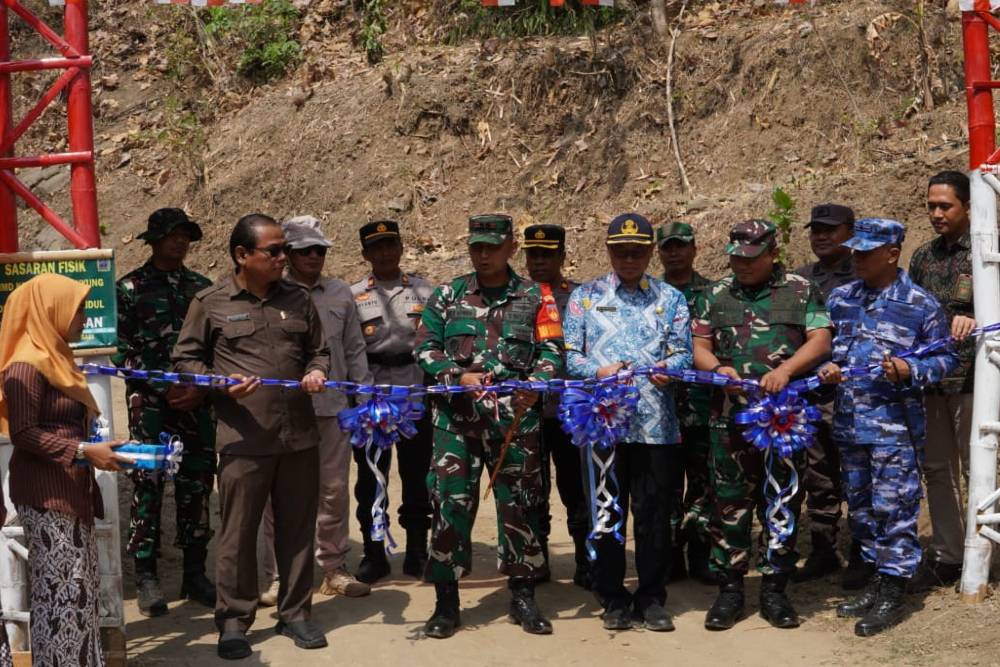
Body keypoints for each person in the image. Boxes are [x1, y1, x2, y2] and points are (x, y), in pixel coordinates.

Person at [173, 214, 331, 659]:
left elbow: (318, 349)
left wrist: (318, 370)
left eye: (285, 249)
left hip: (298, 435)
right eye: (275, 251)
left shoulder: (298, 299)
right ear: (242, 255)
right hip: (243, 439)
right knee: (239, 533)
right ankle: (234, 621)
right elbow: (185, 361)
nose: (285, 258)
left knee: (298, 531)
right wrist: (219, 383)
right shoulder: (211, 301)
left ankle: (296, 613)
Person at [414, 213, 563, 639]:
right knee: (450, 505)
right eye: (476, 246)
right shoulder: (448, 294)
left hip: (515, 422)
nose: (482, 254)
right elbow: (424, 347)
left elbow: (553, 350)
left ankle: (522, 597)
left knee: (519, 505)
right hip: (455, 424)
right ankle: (446, 603)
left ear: (511, 248)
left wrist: (537, 384)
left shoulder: (537, 296)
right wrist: (455, 377)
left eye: (491, 246)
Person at [819, 218, 958, 636]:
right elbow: (834, 353)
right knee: (861, 511)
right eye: (855, 250)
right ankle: (876, 579)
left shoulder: (921, 304)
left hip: (895, 429)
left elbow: (946, 361)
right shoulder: (841, 299)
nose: (856, 258)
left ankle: (893, 592)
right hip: (850, 424)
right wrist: (828, 368)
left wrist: (909, 368)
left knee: (893, 510)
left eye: (865, 251)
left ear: (892, 253)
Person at [692, 219, 832, 631]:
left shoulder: (801, 289)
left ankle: (775, 589)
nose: (742, 265)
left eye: (751, 258)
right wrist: (720, 369)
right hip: (729, 419)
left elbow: (820, 339)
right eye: (736, 258)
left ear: (773, 254)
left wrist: (786, 371)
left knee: (783, 498)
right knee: (729, 504)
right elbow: (699, 346)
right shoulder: (714, 294)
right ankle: (730, 589)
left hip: (784, 418)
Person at [564, 213, 692, 632]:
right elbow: (571, 356)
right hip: (602, 427)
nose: (630, 258)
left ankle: (652, 597)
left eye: (638, 251)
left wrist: (667, 368)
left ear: (651, 252)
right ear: (609, 251)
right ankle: (613, 597)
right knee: (606, 512)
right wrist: (599, 373)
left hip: (656, 426)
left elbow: (683, 355)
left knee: (655, 515)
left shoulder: (670, 298)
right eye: (621, 251)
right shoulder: (584, 296)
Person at [0, 273, 130, 665]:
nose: (82, 317)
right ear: (49, 311)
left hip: (68, 491)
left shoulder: (56, 360)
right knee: (62, 595)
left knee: (75, 593)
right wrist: (84, 451)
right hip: (47, 494)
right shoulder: (26, 365)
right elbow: (24, 434)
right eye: (75, 308)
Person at [257, 215, 373, 603]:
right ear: (286, 253)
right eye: (305, 250)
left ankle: (333, 568)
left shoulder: (340, 293)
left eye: (320, 250)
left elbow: (354, 349)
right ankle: (278, 575)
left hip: (332, 409)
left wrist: (365, 398)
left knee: (333, 490)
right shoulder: (270, 293)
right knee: (278, 495)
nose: (313, 256)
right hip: (284, 410)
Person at [113, 208, 217, 617]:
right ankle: (147, 577)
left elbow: (217, 350)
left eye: (185, 235)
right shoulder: (130, 289)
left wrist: (199, 388)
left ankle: (194, 573)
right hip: (150, 405)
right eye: (172, 235)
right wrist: (163, 385)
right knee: (147, 484)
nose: (179, 242)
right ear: (153, 240)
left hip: (196, 403)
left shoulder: (203, 290)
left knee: (197, 482)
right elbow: (120, 351)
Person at [350, 220, 433, 584]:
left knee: (417, 475)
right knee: (371, 476)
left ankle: (417, 550)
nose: (384, 253)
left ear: (401, 247)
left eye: (390, 245)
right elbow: (350, 350)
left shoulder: (425, 292)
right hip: (372, 393)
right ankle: (374, 552)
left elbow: (434, 344)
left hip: (414, 390)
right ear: (366, 254)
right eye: (376, 248)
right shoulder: (353, 296)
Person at [907, 171, 978, 592]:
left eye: (945, 206)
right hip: (931, 382)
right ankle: (950, 555)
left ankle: (986, 549)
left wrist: (980, 318)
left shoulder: (989, 250)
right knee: (937, 469)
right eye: (931, 206)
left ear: (968, 207)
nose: (936, 214)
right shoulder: (923, 257)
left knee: (978, 468)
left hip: (976, 380)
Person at [791, 203, 861, 586]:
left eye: (830, 229)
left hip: (852, 393)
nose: (821, 236)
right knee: (818, 474)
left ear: (850, 231)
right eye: (816, 229)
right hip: (811, 393)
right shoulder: (801, 279)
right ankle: (822, 549)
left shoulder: (864, 273)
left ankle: (861, 553)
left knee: (855, 473)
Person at [521, 223, 588, 588]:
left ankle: (584, 558)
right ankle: (536, 558)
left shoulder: (578, 297)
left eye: (547, 254)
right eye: (533, 254)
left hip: (569, 410)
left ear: (562, 256)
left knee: (575, 486)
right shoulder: (515, 295)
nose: (540, 261)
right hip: (527, 409)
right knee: (531, 487)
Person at [656, 221, 715, 585]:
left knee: (704, 482)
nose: (674, 252)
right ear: (659, 252)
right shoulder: (650, 296)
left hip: (703, 405)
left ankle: (702, 551)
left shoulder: (713, 293)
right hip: (661, 406)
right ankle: (669, 554)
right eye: (668, 247)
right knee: (663, 484)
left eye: (681, 246)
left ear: (695, 248)